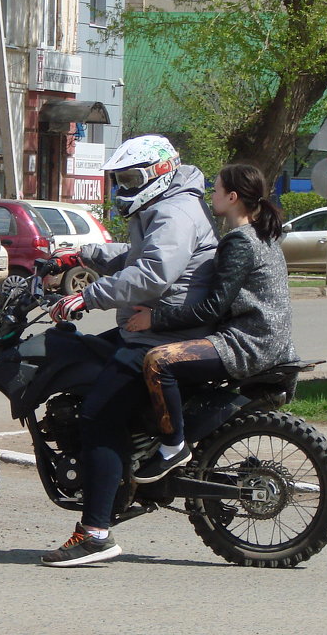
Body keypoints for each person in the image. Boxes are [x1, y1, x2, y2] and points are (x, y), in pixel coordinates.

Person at [41, 135, 218, 567]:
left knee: (98, 415)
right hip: (149, 328)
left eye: (130, 178)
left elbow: (154, 273)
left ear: (159, 172)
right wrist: (81, 255)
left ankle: (96, 532)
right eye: (118, 179)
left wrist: (89, 295)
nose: (123, 188)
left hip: (163, 335)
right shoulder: (162, 206)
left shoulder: (174, 210)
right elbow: (136, 256)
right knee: (80, 356)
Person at [124, 163, 296, 483]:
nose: (210, 195)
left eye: (215, 189)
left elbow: (212, 308)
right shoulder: (266, 234)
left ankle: (173, 446)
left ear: (232, 197)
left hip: (247, 344)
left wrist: (154, 319)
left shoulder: (239, 241)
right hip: (275, 343)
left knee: (158, 362)